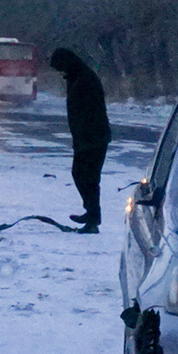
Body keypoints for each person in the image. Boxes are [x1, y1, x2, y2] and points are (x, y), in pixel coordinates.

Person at [49, 47, 111, 232]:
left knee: (87, 177)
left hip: (93, 138)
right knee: (82, 176)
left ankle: (93, 219)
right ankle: (92, 213)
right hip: (85, 138)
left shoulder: (85, 79)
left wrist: (84, 137)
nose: (60, 73)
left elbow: (90, 111)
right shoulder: (76, 77)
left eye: (60, 68)